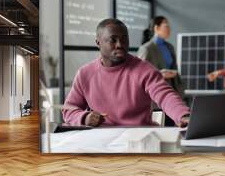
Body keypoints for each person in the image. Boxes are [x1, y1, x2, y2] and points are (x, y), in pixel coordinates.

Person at [62, 18, 190, 128]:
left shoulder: (144, 69)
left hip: (139, 140)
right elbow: (69, 110)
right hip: (101, 142)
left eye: (124, 39)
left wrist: (183, 115)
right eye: (113, 40)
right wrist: (85, 118)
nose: (120, 44)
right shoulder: (85, 74)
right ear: (98, 43)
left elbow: (165, 95)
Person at [137, 16, 185, 126]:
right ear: (156, 28)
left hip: (172, 95)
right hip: (155, 98)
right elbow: (139, 74)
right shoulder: (146, 48)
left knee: (173, 129)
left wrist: (174, 74)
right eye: (166, 26)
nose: (169, 29)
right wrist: (159, 74)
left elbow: (174, 68)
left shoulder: (170, 47)